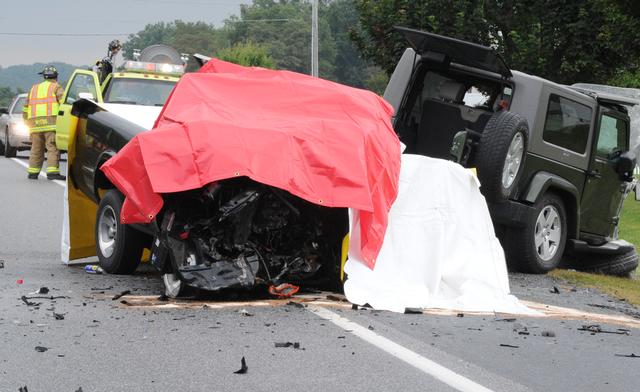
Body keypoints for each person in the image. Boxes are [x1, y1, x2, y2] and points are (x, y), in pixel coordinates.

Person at [23, 65, 66, 180]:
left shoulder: (34, 88)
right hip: (51, 123)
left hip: (35, 125)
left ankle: (33, 172)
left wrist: (27, 123)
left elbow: (25, 108)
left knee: (36, 149)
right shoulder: (56, 87)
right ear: (55, 77)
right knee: (52, 147)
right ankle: (52, 172)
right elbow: (64, 104)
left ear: (44, 77)